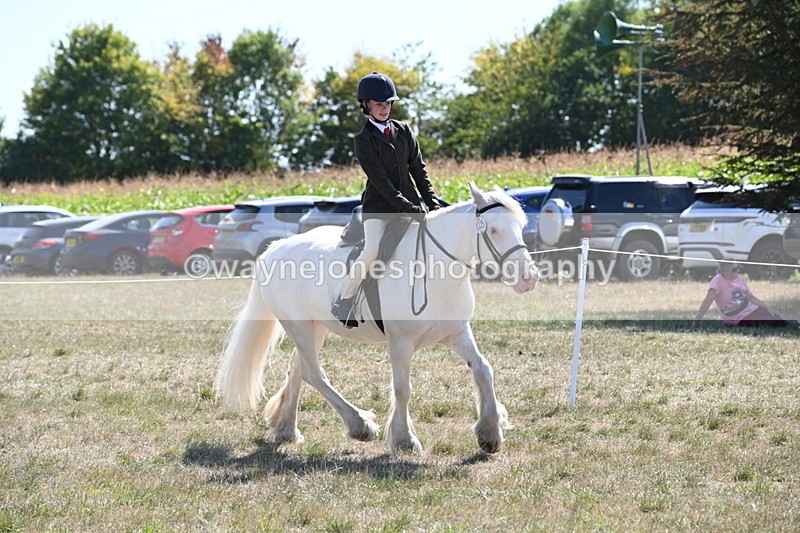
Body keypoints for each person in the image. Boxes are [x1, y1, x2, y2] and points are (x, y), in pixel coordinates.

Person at [331, 71, 442, 328]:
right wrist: (407, 207)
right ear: (366, 105)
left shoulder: (404, 131)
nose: (385, 109)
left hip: (410, 206)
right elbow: (381, 182)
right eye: (379, 104)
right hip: (379, 209)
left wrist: (432, 202)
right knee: (371, 252)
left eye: (388, 104)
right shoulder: (363, 140)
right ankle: (345, 300)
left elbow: (418, 170)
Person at [691, 262, 793, 328]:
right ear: (726, 271)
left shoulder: (740, 278)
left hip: (751, 310)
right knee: (767, 325)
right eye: (735, 269)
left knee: (778, 320)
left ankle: (793, 326)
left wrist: (766, 306)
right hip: (736, 318)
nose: (738, 270)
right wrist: (696, 321)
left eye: (738, 267)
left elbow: (750, 297)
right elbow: (707, 301)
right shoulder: (718, 280)